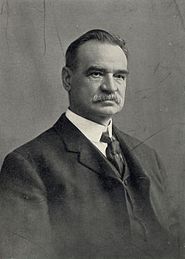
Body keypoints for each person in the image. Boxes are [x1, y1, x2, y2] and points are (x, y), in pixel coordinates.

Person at [0, 29, 178, 259]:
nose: (111, 87)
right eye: (96, 74)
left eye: (120, 76)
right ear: (67, 79)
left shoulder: (147, 156)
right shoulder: (28, 164)